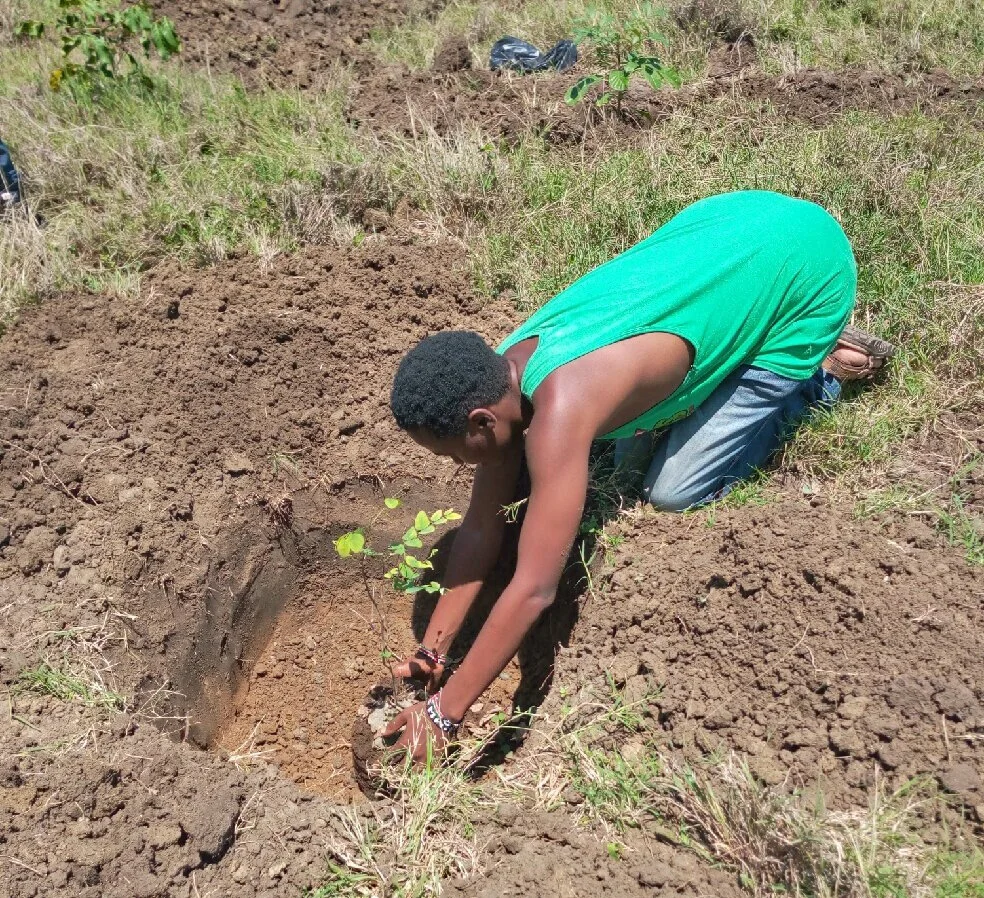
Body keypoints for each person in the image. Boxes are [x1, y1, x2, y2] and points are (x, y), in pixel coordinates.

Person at [381, 190, 894, 760]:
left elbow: (534, 588)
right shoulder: (499, 374)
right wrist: (434, 654)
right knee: (629, 442)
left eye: (455, 454)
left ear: (480, 421)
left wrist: (443, 714)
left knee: (672, 490)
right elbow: (481, 527)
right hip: (736, 229)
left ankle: (817, 372)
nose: (459, 466)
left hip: (807, 271)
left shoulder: (561, 410)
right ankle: (735, 338)